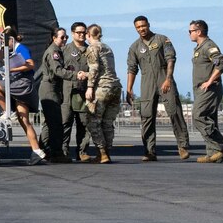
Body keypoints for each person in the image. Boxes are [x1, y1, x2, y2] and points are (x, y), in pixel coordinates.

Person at [125, 15, 190, 161]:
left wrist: (168, 79)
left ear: (148, 24)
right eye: (138, 27)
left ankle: (183, 146)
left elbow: (171, 59)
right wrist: (129, 89)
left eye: (143, 26)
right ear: (136, 29)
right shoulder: (134, 47)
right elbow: (131, 69)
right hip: (146, 82)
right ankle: (149, 151)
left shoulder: (162, 39)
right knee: (147, 117)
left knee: (174, 112)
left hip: (164, 78)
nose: (141, 29)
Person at [0, 28, 46, 162]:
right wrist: (0, 50)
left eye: (5, 41)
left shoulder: (21, 48)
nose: (3, 43)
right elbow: (2, 60)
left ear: (12, 39)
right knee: (24, 121)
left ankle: (8, 111)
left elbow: (30, 65)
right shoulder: (10, 50)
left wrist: (11, 69)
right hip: (18, 83)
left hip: (22, 83)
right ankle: (36, 151)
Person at [188, 19, 223, 163]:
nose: (189, 34)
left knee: (198, 116)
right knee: (210, 119)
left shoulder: (208, 46)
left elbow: (221, 62)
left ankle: (221, 145)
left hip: (209, 88)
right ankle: (213, 154)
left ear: (199, 32)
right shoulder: (199, 48)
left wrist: (209, 81)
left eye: (191, 31)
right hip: (201, 89)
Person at [82, 23, 118, 162]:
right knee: (108, 123)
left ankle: (102, 152)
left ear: (88, 35)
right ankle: (107, 151)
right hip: (114, 86)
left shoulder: (92, 48)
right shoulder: (107, 47)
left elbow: (95, 68)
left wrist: (90, 87)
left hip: (101, 88)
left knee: (93, 121)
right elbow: (105, 69)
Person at [36, 27, 72, 161]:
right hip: (50, 89)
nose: (64, 39)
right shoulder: (53, 52)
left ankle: (43, 150)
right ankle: (56, 153)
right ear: (54, 38)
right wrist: (75, 75)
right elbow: (58, 71)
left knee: (49, 123)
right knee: (56, 123)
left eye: (66, 37)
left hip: (52, 89)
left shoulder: (57, 51)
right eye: (62, 37)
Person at [60, 20, 91, 159]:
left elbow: (97, 71)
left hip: (83, 92)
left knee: (83, 123)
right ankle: (63, 151)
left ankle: (82, 152)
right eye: (79, 32)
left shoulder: (90, 50)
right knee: (65, 122)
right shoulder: (64, 50)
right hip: (67, 91)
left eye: (84, 32)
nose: (82, 35)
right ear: (72, 34)